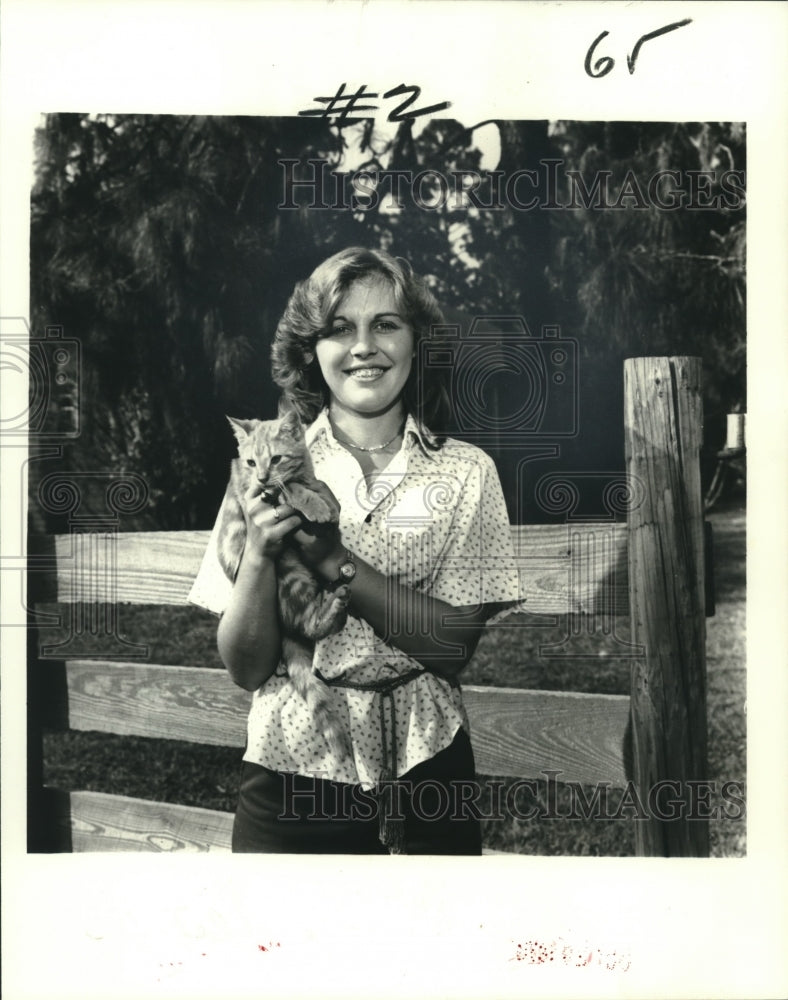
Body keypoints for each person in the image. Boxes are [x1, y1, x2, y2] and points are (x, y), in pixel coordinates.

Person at [189, 247, 521, 854]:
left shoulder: (468, 471)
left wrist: (333, 563)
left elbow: (454, 645)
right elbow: (245, 668)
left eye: (386, 324)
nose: (364, 345)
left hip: (427, 759)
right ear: (310, 350)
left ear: (417, 341)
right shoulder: (264, 469)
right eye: (340, 328)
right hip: (292, 764)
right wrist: (261, 555)